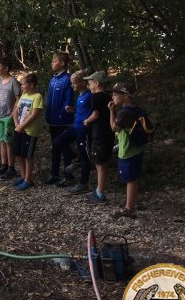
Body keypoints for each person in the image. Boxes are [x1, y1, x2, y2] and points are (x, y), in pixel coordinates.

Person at [107, 82, 144, 219]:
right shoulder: (136, 108)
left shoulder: (124, 112)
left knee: (130, 179)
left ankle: (129, 208)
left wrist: (111, 111)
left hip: (128, 150)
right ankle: (133, 202)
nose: (113, 97)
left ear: (126, 97)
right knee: (134, 177)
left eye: (115, 95)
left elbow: (114, 128)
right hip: (137, 148)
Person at [52, 71, 92, 193]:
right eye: (71, 83)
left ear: (83, 83)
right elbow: (82, 111)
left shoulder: (90, 96)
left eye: (74, 83)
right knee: (57, 142)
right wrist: (72, 110)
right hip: (75, 127)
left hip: (84, 130)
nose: (72, 85)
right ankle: (76, 160)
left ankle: (83, 184)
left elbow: (95, 112)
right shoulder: (80, 95)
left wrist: (89, 121)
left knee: (85, 157)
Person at [82, 71, 114, 205]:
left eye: (90, 83)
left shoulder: (95, 97)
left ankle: (100, 194)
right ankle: (99, 190)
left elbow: (95, 114)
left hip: (100, 134)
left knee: (99, 163)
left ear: (96, 83)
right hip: (109, 133)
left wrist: (86, 121)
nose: (88, 85)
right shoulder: (108, 96)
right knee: (103, 162)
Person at [44, 51, 75, 186]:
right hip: (52, 120)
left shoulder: (68, 79)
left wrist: (64, 113)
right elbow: (49, 100)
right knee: (55, 147)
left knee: (65, 148)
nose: (52, 63)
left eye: (55, 61)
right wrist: (47, 115)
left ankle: (68, 176)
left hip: (63, 121)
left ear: (62, 63)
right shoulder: (53, 80)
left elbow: (68, 100)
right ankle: (54, 174)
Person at [12, 73, 44, 191]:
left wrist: (22, 126)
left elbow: (34, 114)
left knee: (27, 155)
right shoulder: (23, 95)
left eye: (23, 84)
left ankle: (28, 180)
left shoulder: (37, 97)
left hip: (29, 131)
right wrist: (17, 124)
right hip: (19, 129)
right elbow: (15, 111)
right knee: (17, 154)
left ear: (31, 85)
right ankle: (23, 175)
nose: (21, 86)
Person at [0, 57, 21, 180]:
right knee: (2, 141)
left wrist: (13, 114)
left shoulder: (13, 81)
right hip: (0, 116)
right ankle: (4, 165)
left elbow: (18, 99)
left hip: (9, 116)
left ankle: (11, 167)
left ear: (6, 68)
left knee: (9, 142)